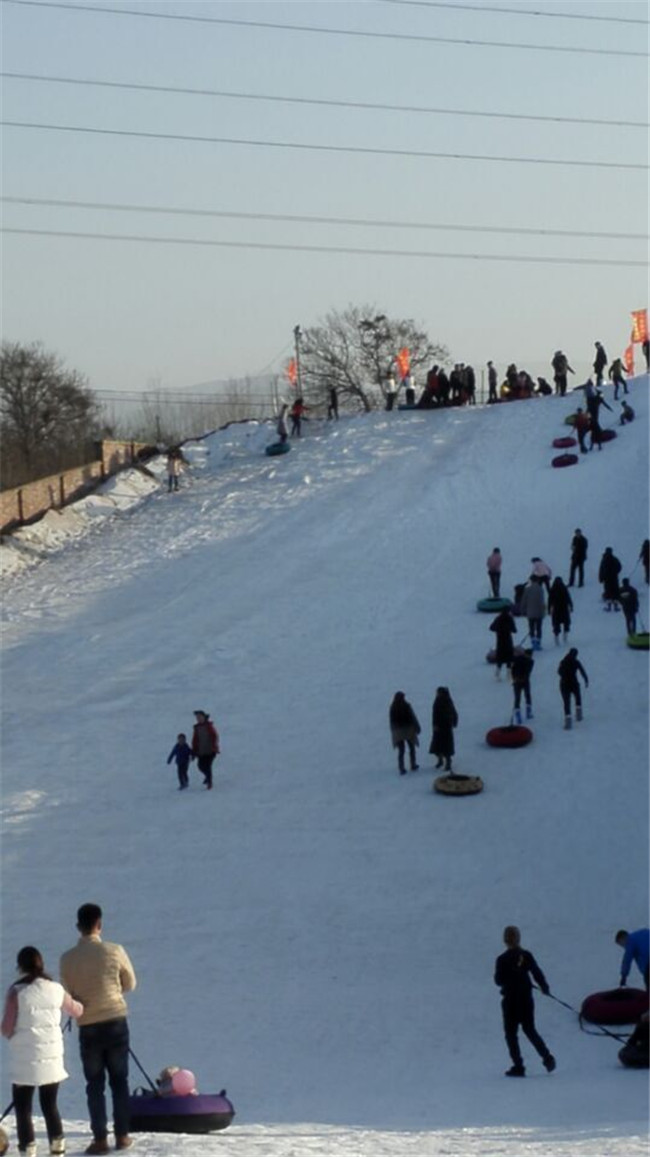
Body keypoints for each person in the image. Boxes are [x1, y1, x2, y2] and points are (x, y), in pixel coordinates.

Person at [60, 903, 137, 1155]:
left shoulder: (67, 959)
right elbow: (130, 983)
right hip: (115, 1020)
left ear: (78, 927)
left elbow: (67, 995)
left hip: (88, 1025)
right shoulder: (115, 951)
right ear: (99, 924)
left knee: (95, 1084)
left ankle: (100, 1139)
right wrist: (113, 993)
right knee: (119, 1080)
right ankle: (123, 1135)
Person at [2, 946, 83, 1157]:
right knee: (50, 1105)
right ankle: (58, 1149)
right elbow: (76, 1010)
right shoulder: (55, 989)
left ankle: (28, 1151)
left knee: (23, 1109)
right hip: (51, 1059)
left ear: (21, 966)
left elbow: (6, 1028)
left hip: (24, 1060)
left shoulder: (16, 992)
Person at [494, 926, 555, 1078]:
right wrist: (544, 987)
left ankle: (518, 1065)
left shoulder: (501, 959)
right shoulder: (525, 955)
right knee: (529, 1029)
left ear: (505, 940)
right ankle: (547, 1057)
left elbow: (498, 980)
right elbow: (536, 971)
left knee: (511, 1034)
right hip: (525, 999)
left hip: (510, 1001)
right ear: (519, 938)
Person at [389, 691, 421, 776]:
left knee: (401, 751)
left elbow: (392, 721)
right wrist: (417, 727)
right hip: (408, 730)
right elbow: (412, 716)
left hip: (398, 732)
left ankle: (401, 768)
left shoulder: (393, 707)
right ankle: (413, 764)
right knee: (411, 748)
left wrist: (393, 732)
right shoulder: (407, 705)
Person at [558, 647, 589, 729]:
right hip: (574, 683)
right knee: (578, 699)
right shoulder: (576, 662)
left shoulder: (563, 662)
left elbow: (559, 672)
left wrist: (565, 675)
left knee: (566, 702)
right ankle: (579, 716)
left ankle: (568, 722)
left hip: (564, 684)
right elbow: (582, 671)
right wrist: (586, 679)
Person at [429, 687, 458, 773]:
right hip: (438, 727)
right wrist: (434, 725)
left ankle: (448, 763)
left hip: (445, 727)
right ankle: (440, 760)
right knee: (437, 746)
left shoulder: (447, 701)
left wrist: (453, 722)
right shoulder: (437, 700)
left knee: (446, 747)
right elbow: (435, 714)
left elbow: (453, 712)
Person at [191, 710, 219, 790]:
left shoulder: (209, 726)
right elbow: (195, 740)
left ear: (204, 717)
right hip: (201, 751)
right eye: (197, 718)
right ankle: (207, 777)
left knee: (207, 766)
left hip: (210, 750)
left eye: (200, 717)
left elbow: (214, 736)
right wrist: (194, 750)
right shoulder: (197, 728)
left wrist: (214, 747)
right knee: (200, 766)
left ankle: (209, 782)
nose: (198, 719)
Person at [489, 606, 517, 679]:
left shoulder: (498, 618)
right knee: (509, 659)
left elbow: (491, 628)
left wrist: (498, 629)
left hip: (500, 642)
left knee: (500, 659)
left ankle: (497, 673)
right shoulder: (510, 619)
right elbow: (514, 630)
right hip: (508, 641)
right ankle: (509, 675)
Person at [520, 575, 546, 650]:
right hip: (539, 612)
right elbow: (542, 601)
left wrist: (522, 610)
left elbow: (524, 601)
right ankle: (538, 643)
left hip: (530, 612)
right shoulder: (540, 589)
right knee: (538, 628)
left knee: (531, 628)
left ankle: (533, 642)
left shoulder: (527, 589)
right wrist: (543, 611)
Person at [548, 576, 573, 645]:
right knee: (566, 623)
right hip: (564, 609)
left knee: (556, 625)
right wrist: (571, 606)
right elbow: (568, 598)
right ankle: (565, 638)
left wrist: (549, 609)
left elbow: (549, 601)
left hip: (556, 610)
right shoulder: (564, 588)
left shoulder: (552, 589)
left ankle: (556, 639)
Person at [511, 648, 534, 723]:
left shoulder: (517, 659)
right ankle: (528, 713)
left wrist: (514, 678)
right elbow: (527, 672)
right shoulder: (530, 662)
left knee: (517, 698)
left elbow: (513, 670)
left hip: (517, 681)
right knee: (527, 696)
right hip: (525, 681)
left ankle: (518, 716)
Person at [598, 546, 622, 611]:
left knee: (608, 592)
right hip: (614, 578)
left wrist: (601, 578)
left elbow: (601, 569)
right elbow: (619, 567)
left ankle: (609, 607)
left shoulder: (604, 560)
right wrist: (615, 572)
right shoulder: (614, 559)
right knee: (615, 592)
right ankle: (616, 606)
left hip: (607, 579)